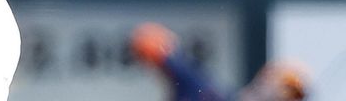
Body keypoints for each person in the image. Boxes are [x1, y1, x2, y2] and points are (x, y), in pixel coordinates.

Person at [130, 22, 309, 101]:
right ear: (264, 77)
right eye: (283, 89)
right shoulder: (206, 92)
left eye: (290, 97)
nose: (281, 96)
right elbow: (154, 44)